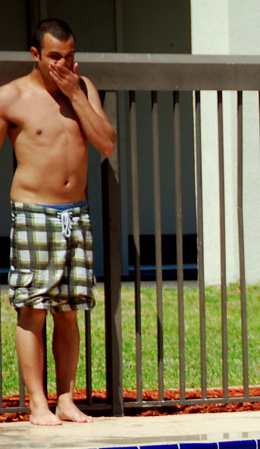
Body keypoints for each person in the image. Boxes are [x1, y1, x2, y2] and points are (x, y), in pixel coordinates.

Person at [1, 18, 116, 425]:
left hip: (76, 214)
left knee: (69, 312)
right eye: (54, 57)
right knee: (33, 308)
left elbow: (106, 142)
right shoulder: (10, 96)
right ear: (35, 55)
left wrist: (76, 95)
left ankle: (66, 400)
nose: (63, 64)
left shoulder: (83, 90)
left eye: (69, 57)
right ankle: (37, 404)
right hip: (33, 213)